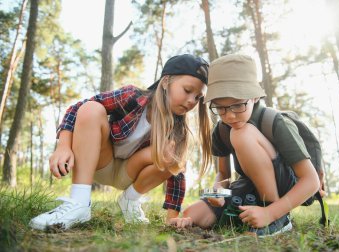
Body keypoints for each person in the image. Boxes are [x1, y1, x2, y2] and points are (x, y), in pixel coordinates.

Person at [29, 54, 212, 230]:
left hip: (129, 175)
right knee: (91, 108)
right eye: (187, 91)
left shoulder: (177, 130)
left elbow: (176, 174)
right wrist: (63, 146)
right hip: (100, 163)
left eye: (198, 98)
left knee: (173, 155)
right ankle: (79, 203)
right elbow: (77, 108)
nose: (191, 101)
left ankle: (130, 200)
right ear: (165, 82)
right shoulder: (131, 96)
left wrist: (172, 218)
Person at [169, 54, 320, 237]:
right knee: (191, 214)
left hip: (282, 190)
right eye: (220, 108)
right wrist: (218, 190)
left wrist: (269, 213)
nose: (230, 116)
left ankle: (278, 218)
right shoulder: (222, 130)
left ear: (255, 97)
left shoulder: (275, 122)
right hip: (248, 188)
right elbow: (224, 174)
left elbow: (311, 181)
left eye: (237, 105)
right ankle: (245, 213)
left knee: (241, 134)